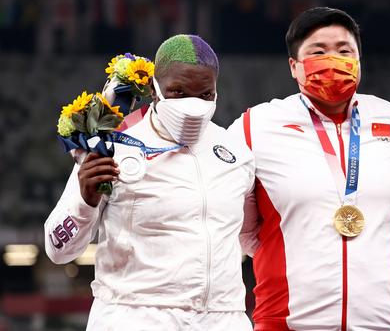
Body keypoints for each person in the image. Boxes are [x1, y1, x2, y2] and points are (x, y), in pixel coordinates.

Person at [229, 7, 390, 330]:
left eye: (344, 51)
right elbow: (239, 227)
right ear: (294, 66)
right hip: (287, 322)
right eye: (318, 52)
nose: (333, 60)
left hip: (389, 322)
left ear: (359, 61)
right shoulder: (255, 126)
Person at [44, 34, 255, 330]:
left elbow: (254, 240)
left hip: (223, 318)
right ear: (154, 90)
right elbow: (57, 249)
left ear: (216, 91)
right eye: (178, 92)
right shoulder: (113, 146)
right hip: (135, 316)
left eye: (205, 94)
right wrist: (85, 201)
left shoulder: (236, 153)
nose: (193, 105)